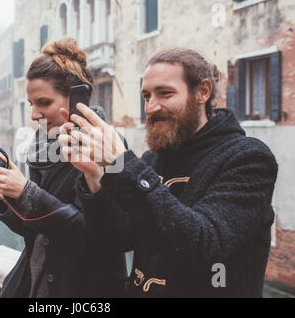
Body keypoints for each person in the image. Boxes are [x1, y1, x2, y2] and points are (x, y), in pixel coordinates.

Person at [58, 48, 278, 297]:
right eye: (146, 96)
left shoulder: (248, 158)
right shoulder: (153, 158)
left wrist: (123, 163)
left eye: (165, 93)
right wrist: (94, 176)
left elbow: (204, 244)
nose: (151, 107)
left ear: (203, 92)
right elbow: (118, 238)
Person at [0, 37, 127, 298]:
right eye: (31, 104)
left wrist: (26, 192)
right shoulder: (41, 150)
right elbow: (35, 230)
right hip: (37, 284)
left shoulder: (110, 149)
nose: (34, 115)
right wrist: (9, 197)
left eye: (44, 103)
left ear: (75, 99)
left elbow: (98, 238)